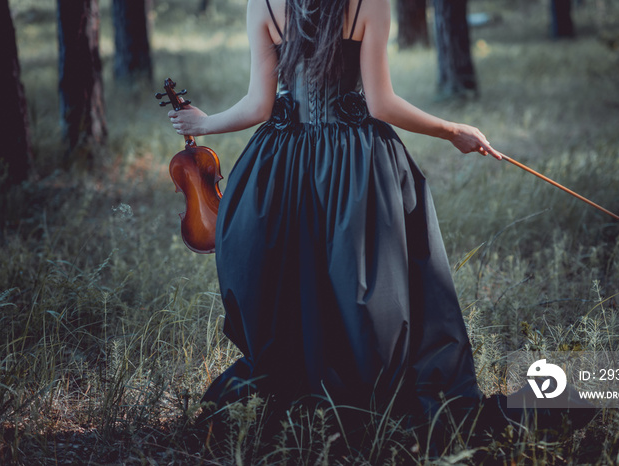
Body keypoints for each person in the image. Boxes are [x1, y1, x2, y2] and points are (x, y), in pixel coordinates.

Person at [169, 0, 510, 442]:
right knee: (364, 282)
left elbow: (259, 105)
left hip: (283, 163)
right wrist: (452, 130)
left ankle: (299, 392)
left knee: (294, 281)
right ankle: (370, 394)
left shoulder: (266, 4)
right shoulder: (369, 4)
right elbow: (382, 104)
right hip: (357, 162)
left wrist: (206, 122)